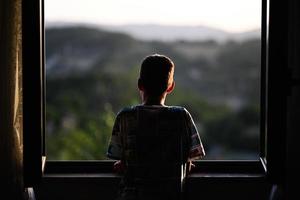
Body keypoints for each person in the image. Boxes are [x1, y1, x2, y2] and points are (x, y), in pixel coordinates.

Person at [106, 54, 205, 200]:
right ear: (171, 87)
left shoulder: (126, 116)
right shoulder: (181, 116)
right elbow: (190, 157)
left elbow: (120, 160)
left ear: (140, 84)